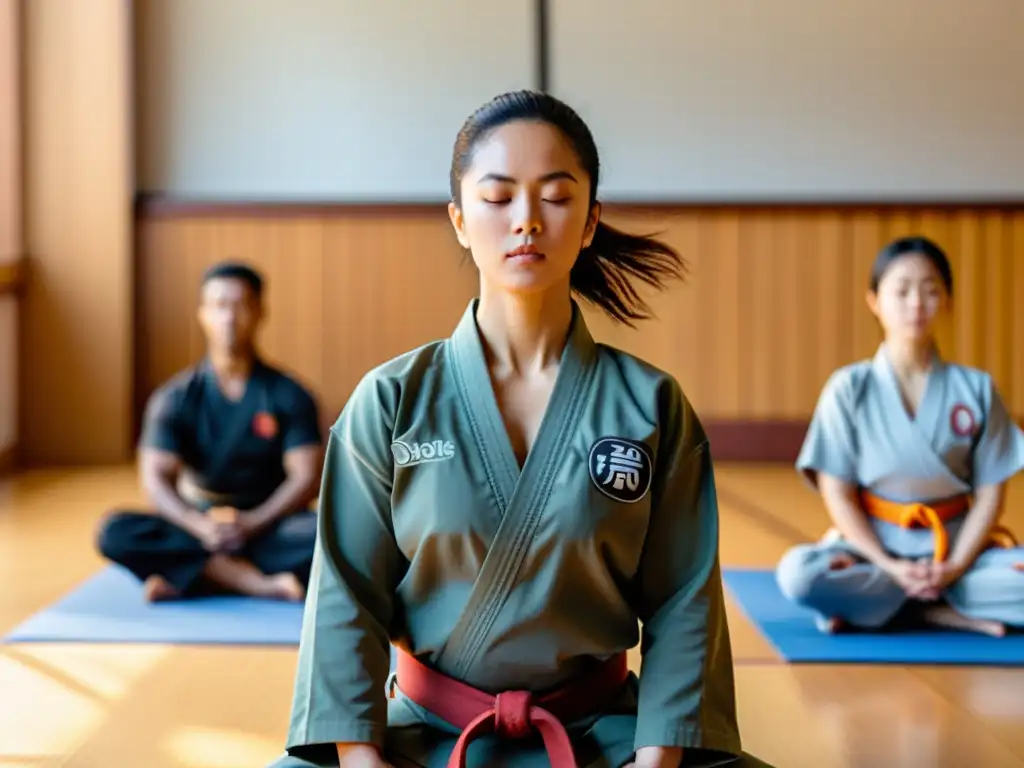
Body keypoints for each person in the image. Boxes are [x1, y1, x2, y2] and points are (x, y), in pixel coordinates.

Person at [273, 91, 771, 768]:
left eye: (556, 197)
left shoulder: (650, 405)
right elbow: (345, 593)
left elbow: (685, 603)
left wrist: (656, 762)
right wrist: (363, 761)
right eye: (498, 196)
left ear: (591, 221)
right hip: (422, 740)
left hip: (603, 740)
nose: (527, 221)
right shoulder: (391, 400)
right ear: (458, 219)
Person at [776, 236, 1024, 637]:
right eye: (902, 290)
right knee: (799, 574)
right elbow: (836, 492)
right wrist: (890, 565)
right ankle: (934, 610)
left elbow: (992, 495)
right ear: (874, 300)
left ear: (947, 300)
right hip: (874, 552)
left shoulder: (975, 388)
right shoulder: (848, 387)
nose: (916, 304)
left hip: (959, 550)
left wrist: (956, 565)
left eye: (930, 291)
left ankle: (899, 606)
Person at [97, 261, 323, 603]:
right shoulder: (175, 397)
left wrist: (251, 523)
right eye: (219, 306)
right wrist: (199, 525)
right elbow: (155, 481)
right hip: (198, 526)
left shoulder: (289, 394)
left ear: (260, 312)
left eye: (240, 305)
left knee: (337, 534)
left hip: (270, 525)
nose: (229, 318)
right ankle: (249, 581)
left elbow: (307, 478)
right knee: (113, 531)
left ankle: (197, 574)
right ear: (203, 314)